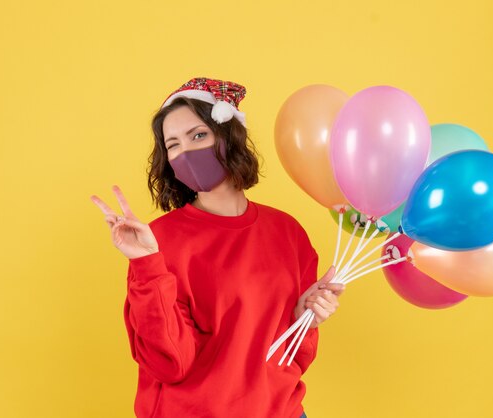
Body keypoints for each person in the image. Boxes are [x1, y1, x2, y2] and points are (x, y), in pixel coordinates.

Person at [90, 77, 346, 418]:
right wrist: (146, 263)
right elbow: (170, 365)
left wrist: (305, 318)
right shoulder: (157, 241)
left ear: (227, 137)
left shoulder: (287, 232)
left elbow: (293, 359)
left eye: (198, 135)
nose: (187, 152)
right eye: (174, 144)